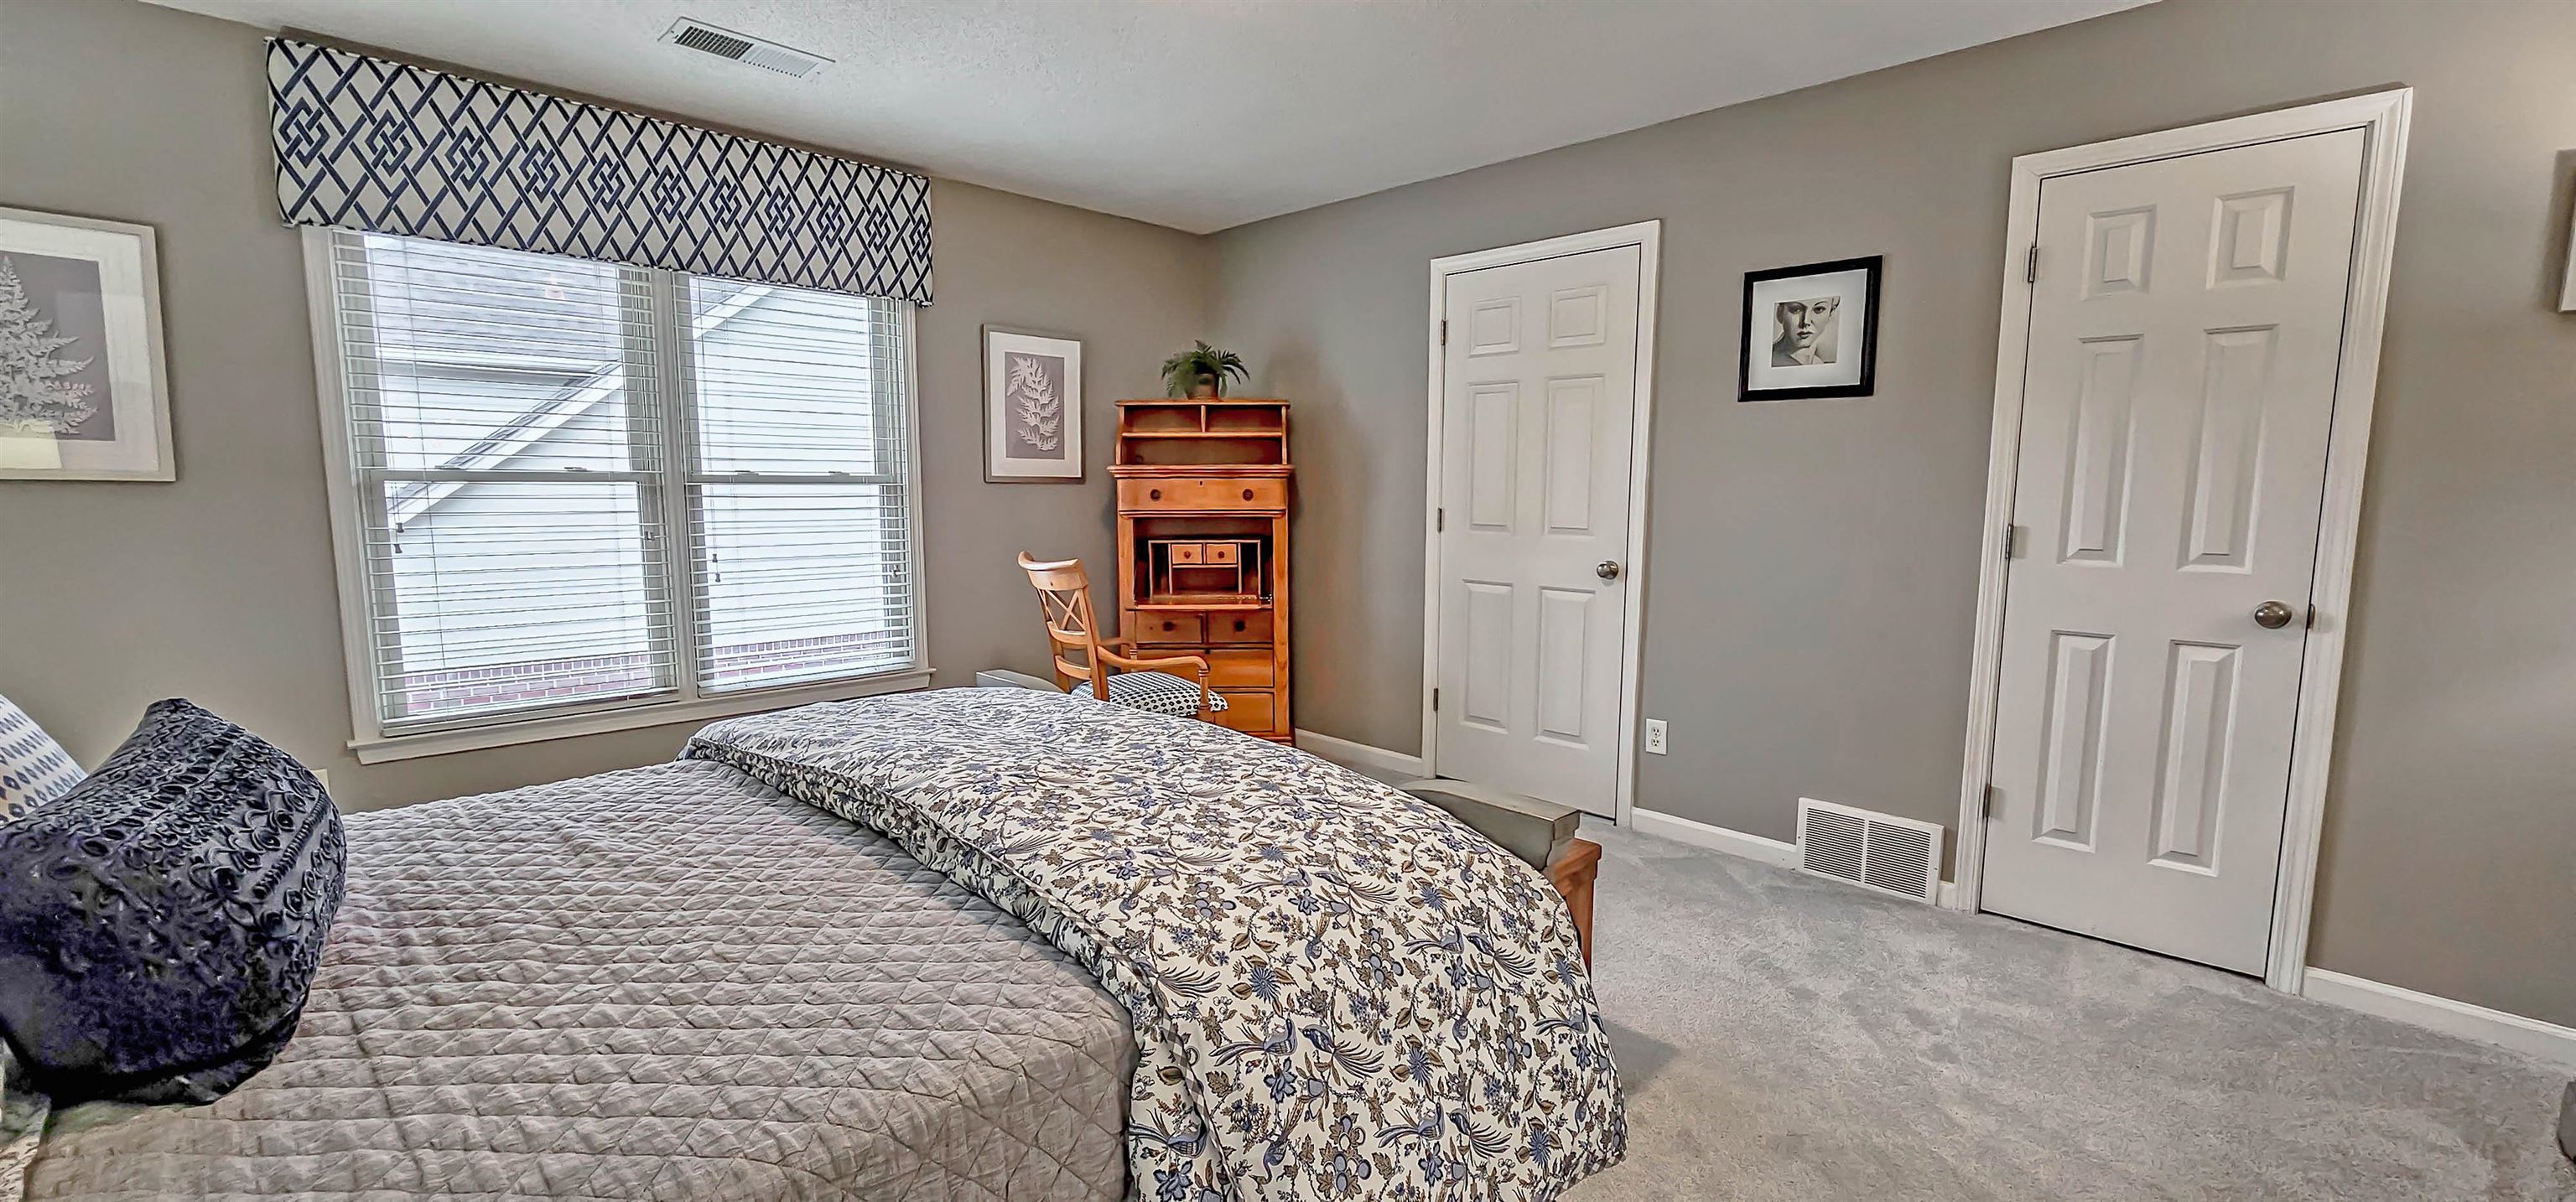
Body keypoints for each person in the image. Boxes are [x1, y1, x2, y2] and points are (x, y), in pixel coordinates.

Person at [1771, 296, 1838, 366]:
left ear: (1831, 313)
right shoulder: (1771, 361)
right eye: (1796, 310)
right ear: (1780, 313)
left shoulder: (1819, 363)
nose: (1806, 321)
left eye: (1819, 309)